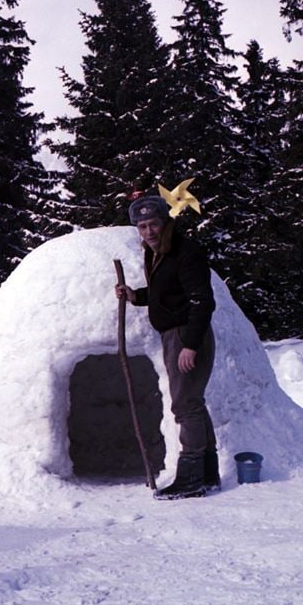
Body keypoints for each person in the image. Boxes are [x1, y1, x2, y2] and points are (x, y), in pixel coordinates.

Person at [115, 193, 219, 499]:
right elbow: (167, 293)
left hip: (187, 334)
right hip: (174, 333)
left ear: (166, 222)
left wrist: (191, 344)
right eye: (143, 226)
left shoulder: (186, 252)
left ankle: (190, 479)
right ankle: (208, 474)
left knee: (185, 405)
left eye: (154, 224)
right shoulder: (157, 253)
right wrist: (136, 296)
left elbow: (202, 301)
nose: (149, 231)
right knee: (193, 402)